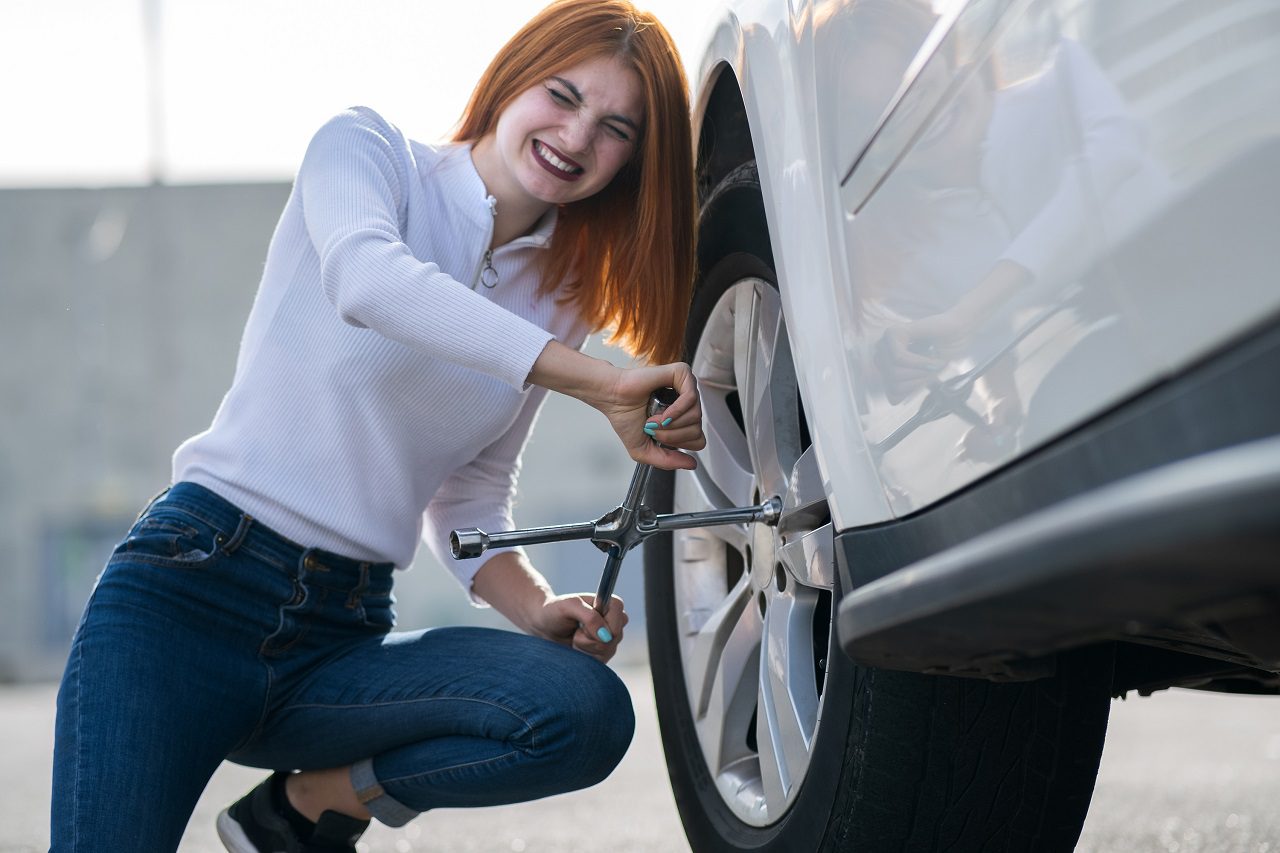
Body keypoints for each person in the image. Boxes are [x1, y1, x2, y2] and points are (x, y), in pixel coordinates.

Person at [49, 2, 701, 850]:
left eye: (615, 127)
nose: (577, 137)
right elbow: (368, 281)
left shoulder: (561, 296)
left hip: (338, 632)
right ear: (513, 78)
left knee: (581, 710)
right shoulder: (369, 153)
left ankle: (312, 806)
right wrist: (603, 382)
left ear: (632, 162)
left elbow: (470, 491)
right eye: (562, 95)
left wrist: (535, 606)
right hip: (193, 591)